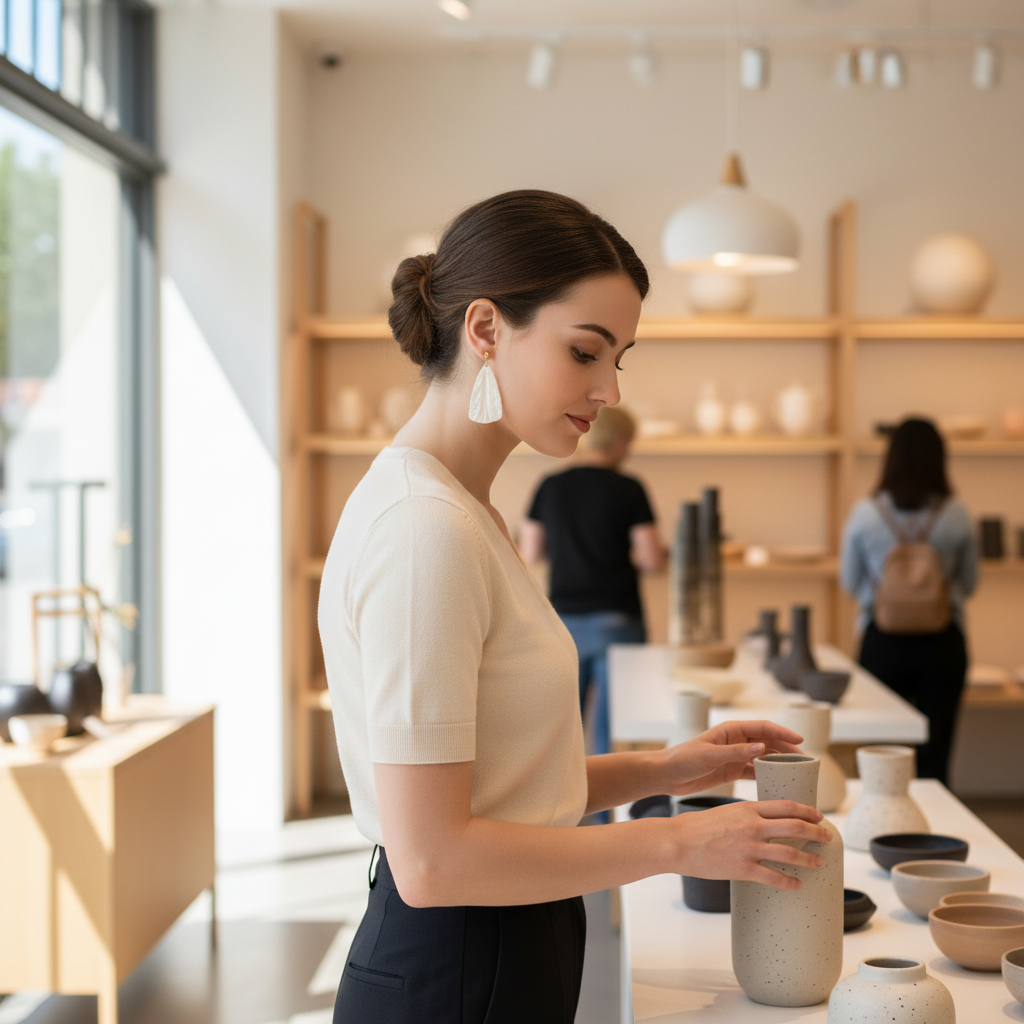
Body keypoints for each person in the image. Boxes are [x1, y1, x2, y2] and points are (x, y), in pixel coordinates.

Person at [318, 189, 831, 1024]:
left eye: (619, 357)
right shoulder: (426, 529)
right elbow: (434, 859)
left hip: (501, 943)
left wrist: (668, 770)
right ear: (485, 330)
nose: (611, 390)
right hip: (459, 965)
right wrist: (678, 841)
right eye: (586, 352)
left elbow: (505, 793)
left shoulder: (466, 511)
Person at [520, 406, 665, 758]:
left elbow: (530, 554)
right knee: (613, 728)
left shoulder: (550, 486)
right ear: (619, 442)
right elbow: (652, 559)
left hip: (563, 621)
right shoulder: (630, 488)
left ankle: (565, 810)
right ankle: (610, 814)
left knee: (565, 727)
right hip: (618, 621)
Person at [840, 417, 978, 784]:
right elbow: (970, 583)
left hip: (882, 642)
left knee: (882, 757)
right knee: (936, 753)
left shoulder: (866, 513)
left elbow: (849, 582)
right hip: (943, 643)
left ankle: (884, 826)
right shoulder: (956, 514)